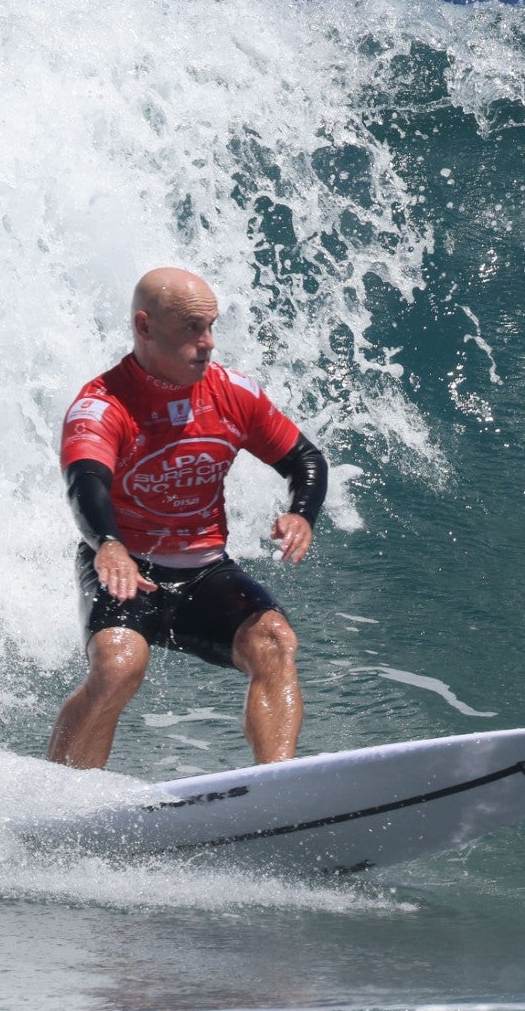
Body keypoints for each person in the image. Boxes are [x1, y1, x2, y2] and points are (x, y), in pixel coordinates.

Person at [48, 267, 327, 770]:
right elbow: (85, 481)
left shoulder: (232, 394)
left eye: (212, 327)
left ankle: (278, 785)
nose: (208, 343)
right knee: (117, 666)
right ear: (145, 327)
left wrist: (301, 513)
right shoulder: (102, 406)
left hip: (204, 569)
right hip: (125, 566)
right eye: (192, 330)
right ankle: (62, 794)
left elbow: (305, 460)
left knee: (275, 642)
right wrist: (108, 542)